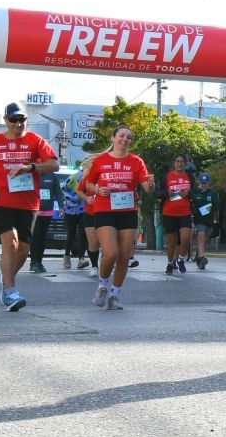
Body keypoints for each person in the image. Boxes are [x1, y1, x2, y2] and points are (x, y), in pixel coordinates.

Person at [0, 102, 59, 311]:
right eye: (14, 119)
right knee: (9, 242)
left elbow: (54, 164)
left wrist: (30, 167)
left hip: (28, 203)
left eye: (22, 119)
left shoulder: (35, 140)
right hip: (0, 201)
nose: (18, 123)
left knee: (23, 249)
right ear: (5, 120)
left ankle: (7, 280)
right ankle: (10, 290)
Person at [84, 125, 154, 310]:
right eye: (121, 136)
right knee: (111, 253)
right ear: (113, 138)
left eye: (129, 137)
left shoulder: (136, 161)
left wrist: (151, 184)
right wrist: (98, 189)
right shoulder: (100, 161)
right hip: (104, 209)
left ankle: (115, 294)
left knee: (124, 256)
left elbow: (147, 188)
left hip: (127, 210)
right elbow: (89, 184)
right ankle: (102, 285)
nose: (125, 139)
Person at [159, 154, 194, 275]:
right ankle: (169, 263)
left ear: (185, 164)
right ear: (173, 163)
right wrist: (167, 193)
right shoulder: (166, 177)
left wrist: (188, 194)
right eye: (177, 161)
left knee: (185, 237)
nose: (180, 164)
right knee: (172, 241)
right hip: (169, 212)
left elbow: (194, 193)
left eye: (182, 162)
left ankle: (181, 259)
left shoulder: (189, 176)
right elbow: (157, 193)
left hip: (185, 212)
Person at [27, 170, 63, 273]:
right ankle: (33, 262)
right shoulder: (30, 174)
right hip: (34, 211)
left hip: (48, 211)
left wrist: (61, 207)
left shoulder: (52, 176)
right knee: (35, 237)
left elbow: (58, 192)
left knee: (42, 238)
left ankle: (39, 262)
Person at [189, 173, 219, 269]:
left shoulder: (213, 193)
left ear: (208, 183)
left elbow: (217, 205)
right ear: (199, 183)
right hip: (198, 220)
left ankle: (199, 257)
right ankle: (202, 258)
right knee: (201, 236)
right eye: (202, 183)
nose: (204, 185)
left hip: (209, 220)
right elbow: (190, 205)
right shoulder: (195, 192)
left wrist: (211, 208)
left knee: (204, 240)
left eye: (205, 183)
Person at [61, 169, 89, 270]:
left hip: (85, 210)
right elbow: (63, 190)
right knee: (71, 233)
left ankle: (81, 258)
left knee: (83, 233)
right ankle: (67, 255)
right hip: (70, 210)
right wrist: (74, 199)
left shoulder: (93, 178)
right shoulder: (73, 177)